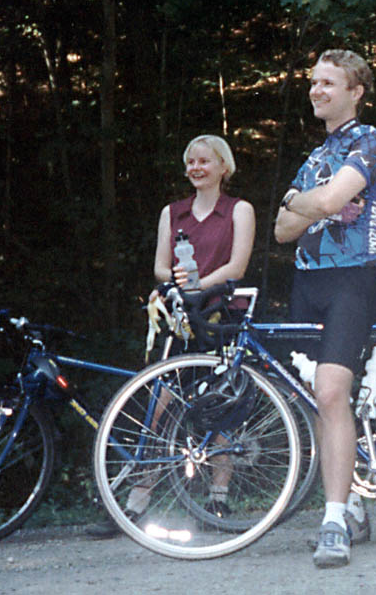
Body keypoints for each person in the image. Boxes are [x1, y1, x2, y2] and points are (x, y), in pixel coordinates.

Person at [87, 134, 255, 538]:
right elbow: (162, 268)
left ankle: (217, 499)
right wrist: (180, 285)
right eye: (191, 162)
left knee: (220, 407)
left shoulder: (239, 209)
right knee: (160, 409)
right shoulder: (172, 212)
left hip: (221, 316)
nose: (197, 168)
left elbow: (238, 267)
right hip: (182, 319)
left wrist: (200, 287)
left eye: (205, 161)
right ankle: (134, 503)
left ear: (223, 167)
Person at [274, 49, 376, 568]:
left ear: (356, 91)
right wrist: (309, 202)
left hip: (352, 279)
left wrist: (299, 200)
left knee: (331, 390)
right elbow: (281, 231)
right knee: (318, 400)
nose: (316, 89)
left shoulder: (369, 142)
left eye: (328, 82)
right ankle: (350, 508)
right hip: (307, 281)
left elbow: (316, 206)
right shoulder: (315, 157)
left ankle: (333, 522)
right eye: (313, 82)